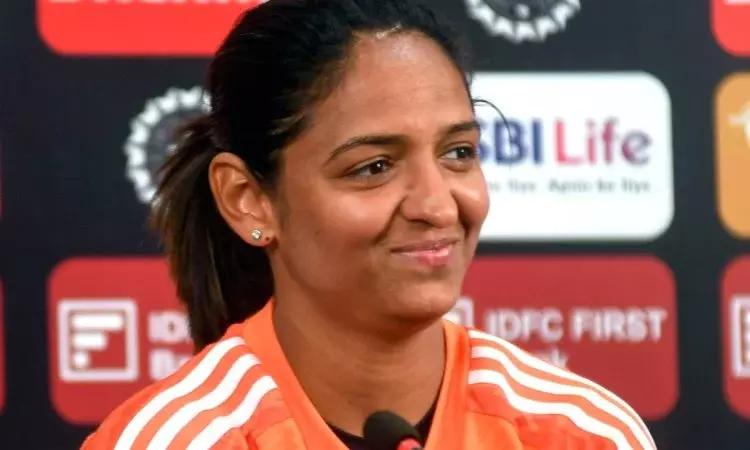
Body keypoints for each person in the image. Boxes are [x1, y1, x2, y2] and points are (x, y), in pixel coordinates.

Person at [81, 0, 658, 448]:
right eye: (374, 167)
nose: (438, 206)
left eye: (458, 153)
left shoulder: (583, 434)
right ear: (248, 199)